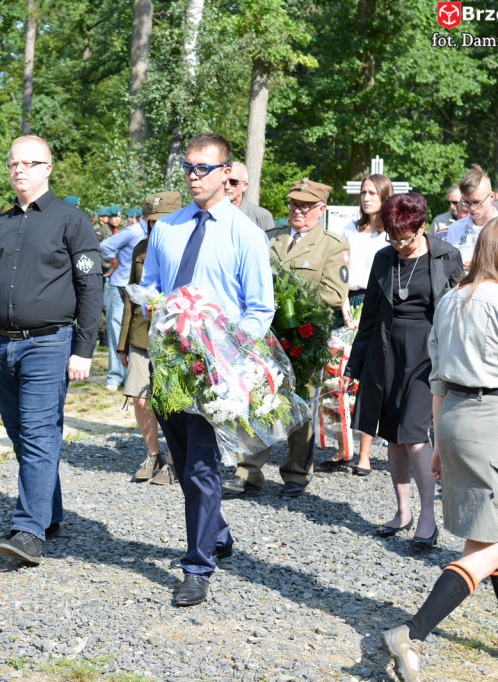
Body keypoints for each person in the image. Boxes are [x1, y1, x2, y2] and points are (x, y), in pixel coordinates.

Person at [381, 217, 498, 682]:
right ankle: (412, 632)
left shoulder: (451, 301)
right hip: (492, 422)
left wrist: (441, 440)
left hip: (455, 419)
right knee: (496, 541)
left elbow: (438, 378)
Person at [140, 132, 274, 606]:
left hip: (214, 369)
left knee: (200, 463)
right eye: (188, 168)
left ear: (226, 172)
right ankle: (215, 532)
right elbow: (150, 287)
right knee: (181, 461)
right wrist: (159, 311)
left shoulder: (246, 235)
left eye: (203, 169)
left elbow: (261, 309)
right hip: (168, 363)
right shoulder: (167, 229)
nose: (193, 177)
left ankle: (197, 566)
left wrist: (226, 346)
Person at [0, 135, 102, 567]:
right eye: (13, 164)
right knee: (23, 436)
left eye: (29, 163)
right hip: (0, 347)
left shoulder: (71, 220)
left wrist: (83, 349)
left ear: (48, 168)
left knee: (40, 433)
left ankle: (28, 530)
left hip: (49, 344)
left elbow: (90, 287)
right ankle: (49, 513)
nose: (19, 170)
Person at [341, 192, 463, 549]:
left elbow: (460, 312)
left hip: (430, 357)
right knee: (392, 434)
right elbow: (369, 319)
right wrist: (355, 364)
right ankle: (403, 511)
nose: (399, 246)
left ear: (422, 228)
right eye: (392, 239)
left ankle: (428, 516)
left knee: (413, 434)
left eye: (405, 239)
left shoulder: (446, 257)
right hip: (387, 354)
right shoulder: (384, 259)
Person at [226, 179, 347, 499]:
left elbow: (334, 295)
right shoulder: (270, 239)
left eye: (306, 207)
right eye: (294, 206)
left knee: (302, 408)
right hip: (266, 338)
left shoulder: (333, 245)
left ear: (321, 210)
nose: (298, 212)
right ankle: (248, 472)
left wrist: (289, 300)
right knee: (256, 404)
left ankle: (296, 475)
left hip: (305, 338)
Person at [318, 174, 393, 475]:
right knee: (338, 376)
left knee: (367, 379)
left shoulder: (390, 233)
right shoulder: (350, 229)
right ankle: (341, 447)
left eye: (373, 193)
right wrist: (343, 303)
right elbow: (341, 272)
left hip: (378, 304)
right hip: (347, 302)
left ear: (385, 195)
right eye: (363, 192)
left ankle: (364, 453)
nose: (366, 198)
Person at [118, 190, 183, 485]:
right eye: (150, 221)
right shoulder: (141, 249)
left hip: (178, 334)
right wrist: (123, 344)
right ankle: (152, 453)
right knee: (140, 397)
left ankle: (174, 459)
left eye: (160, 221)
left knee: (173, 399)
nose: (154, 227)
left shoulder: (189, 246)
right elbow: (132, 296)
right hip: (142, 335)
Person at [100, 203, 148, 391]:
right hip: (120, 287)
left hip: (139, 289)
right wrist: (114, 262)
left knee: (136, 334)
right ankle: (115, 376)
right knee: (115, 331)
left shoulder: (157, 232)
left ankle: (133, 375)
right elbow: (105, 245)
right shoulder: (134, 231)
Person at [439, 165, 498, 269]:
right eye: (466, 202)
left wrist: (482, 268)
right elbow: (448, 267)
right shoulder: (456, 228)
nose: (471, 208)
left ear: (491, 197)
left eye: (476, 202)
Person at [225, 160, 274, 231]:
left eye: (233, 182)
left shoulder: (261, 217)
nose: (227, 186)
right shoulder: (208, 213)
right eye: (224, 181)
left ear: (244, 186)